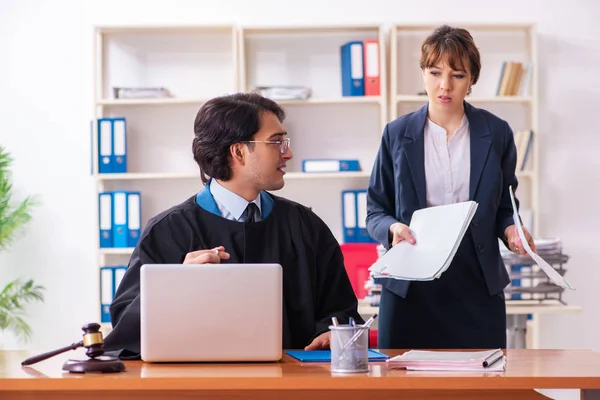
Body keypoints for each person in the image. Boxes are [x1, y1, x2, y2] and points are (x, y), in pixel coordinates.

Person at [104, 92, 363, 358]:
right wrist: (174, 287)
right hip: (200, 387)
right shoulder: (168, 231)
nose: (289, 153)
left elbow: (341, 311)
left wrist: (335, 332)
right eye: (276, 142)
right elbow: (125, 327)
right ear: (239, 151)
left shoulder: (305, 227)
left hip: (293, 387)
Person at [366, 25, 536, 349]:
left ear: (471, 79)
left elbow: (505, 207)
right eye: (434, 72)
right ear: (423, 74)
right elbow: (376, 210)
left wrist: (513, 230)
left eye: (457, 75)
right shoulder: (396, 134)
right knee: (404, 390)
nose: (444, 86)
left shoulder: (496, 133)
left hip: (476, 286)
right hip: (410, 287)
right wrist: (392, 229)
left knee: (481, 389)